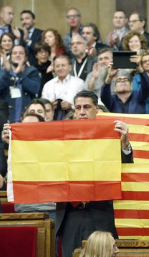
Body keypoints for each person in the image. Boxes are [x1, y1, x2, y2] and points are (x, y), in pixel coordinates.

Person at [56, 90, 133, 257]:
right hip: (71, 213)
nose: (82, 111)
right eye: (78, 107)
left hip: (101, 212)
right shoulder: (62, 135)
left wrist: (125, 142)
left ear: (96, 109)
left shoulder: (112, 133)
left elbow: (126, 170)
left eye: (86, 107)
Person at [0, 45, 40, 122]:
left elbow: (35, 89)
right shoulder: (3, 72)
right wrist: (7, 73)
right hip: (7, 116)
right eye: (15, 53)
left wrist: (20, 74)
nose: (17, 55)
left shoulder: (32, 71)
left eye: (21, 53)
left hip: (27, 117)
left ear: (26, 57)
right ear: (11, 57)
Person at [42, 54, 84, 120]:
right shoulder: (48, 85)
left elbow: (84, 103)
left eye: (63, 65)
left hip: (74, 119)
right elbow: (43, 105)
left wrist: (71, 106)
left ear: (70, 67)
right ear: (54, 68)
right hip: (52, 121)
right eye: (57, 66)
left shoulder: (79, 83)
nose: (60, 68)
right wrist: (50, 106)